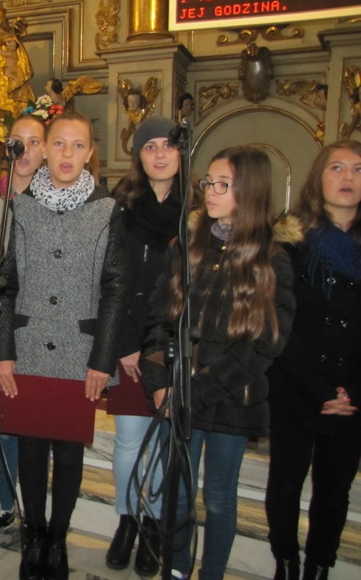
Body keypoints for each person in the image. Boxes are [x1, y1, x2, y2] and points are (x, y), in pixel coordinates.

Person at [141, 146, 296, 580]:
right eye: (208, 181)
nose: (209, 191)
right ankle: (176, 570)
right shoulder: (186, 247)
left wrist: (196, 390)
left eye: (222, 184)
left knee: (220, 498)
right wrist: (158, 380)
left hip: (232, 401)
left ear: (249, 192)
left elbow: (263, 345)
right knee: (177, 494)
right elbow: (159, 320)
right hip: (178, 394)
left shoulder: (272, 260)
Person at [0, 110, 129, 580]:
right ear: (44, 150)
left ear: (90, 153)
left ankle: (57, 539)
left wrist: (102, 358)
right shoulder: (21, 207)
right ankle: (33, 534)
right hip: (28, 347)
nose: (67, 153)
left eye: (77, 145)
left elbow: (116, 288)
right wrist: (4, 350)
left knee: (69, 453)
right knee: (31, 448)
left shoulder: (108, 210)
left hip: (81, 352)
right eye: (58, 144)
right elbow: (6, 285)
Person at [265, 140, 361, 580]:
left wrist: (351, 392)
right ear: (318, 178)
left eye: (357, 169)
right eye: (337, 168)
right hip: (297, 385)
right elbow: (277, 322)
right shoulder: (290, 243)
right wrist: (318, 389)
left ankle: (320, 566)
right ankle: (285, 561)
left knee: (334, 490)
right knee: (286, 482)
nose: (348, 177)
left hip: (351, 393)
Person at [106, 117, 182, 575]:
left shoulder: (196, 211)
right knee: (129, 441)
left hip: (172, 345)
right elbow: (109, 278)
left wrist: (158, 348)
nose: (159, 154)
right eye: (149, 146)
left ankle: (154, 523)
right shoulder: (121, 206)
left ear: (181, 152)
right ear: (138, 155)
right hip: (127, 341)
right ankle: (127, 519)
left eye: (167, 145)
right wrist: (124, 344)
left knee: (163, 443)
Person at [0, 112, 47, 542]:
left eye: (34, 141)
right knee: (3, 417)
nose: (23, 149)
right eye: (16, 141)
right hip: (0, 318)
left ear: (45, 150)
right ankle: (3, 502)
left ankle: (34, 508)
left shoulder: (52, 198)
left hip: (39, 323)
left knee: (35, 422)